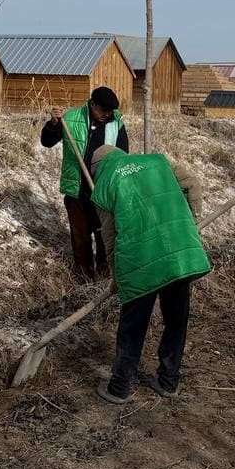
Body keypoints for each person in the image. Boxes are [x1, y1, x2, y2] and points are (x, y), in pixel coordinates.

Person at [88, 144, 210, 403]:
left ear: (97, 169)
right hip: (178, 252)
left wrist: (118, 276)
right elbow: (192, 184)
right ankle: (168, 381)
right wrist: (191, 222)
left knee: (133, 326)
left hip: (139, 261)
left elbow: (110, 240)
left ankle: (119, 387)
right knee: (176, 321)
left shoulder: (104, 185)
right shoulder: (158, 162)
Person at [40, 86, 129, 279]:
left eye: (110, 111)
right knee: (80, 239)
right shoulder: (71, 118)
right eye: (103, 110)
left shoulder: (117, 125)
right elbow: (47, 142)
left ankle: (105, 276)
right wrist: (53, 124)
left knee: (105, 237)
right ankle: (84, 279)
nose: (107, 114)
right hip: (77, 191)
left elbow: (123, 158)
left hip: (103, 193)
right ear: (92, 104)